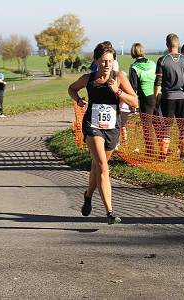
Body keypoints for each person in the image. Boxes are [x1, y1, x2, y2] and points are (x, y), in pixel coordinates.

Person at [68, 41, 138, 224]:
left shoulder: (119, 77)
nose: (107, 65)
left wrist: (118, 92)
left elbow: (135, 102)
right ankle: (110, 212)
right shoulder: (88, 79)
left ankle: (88, 195)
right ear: (96, 61)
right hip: (93, 126)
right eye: (103, 61)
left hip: (112, 128)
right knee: (103, 166)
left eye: (110, 61)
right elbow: (72, 88)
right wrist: (79, 100)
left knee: (97, 166)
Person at [154, 33, 184, 161]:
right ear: (178, 44)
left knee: (166, 128)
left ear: (167, 44)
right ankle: (183, 155)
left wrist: (156, 99)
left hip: (167, 99)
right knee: (183, 128)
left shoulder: (163, 60)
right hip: (183, 99)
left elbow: (158, 83)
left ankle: (163, 156)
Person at [129, 42, 157, 156]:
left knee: (147, 125)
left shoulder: (134, 67)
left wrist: (133, 103)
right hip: (157, 95)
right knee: (159, 123)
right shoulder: (152, 63)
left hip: (145, 98)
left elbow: (133, 87)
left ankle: (150, 151)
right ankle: (163, 149)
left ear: (133, 52)